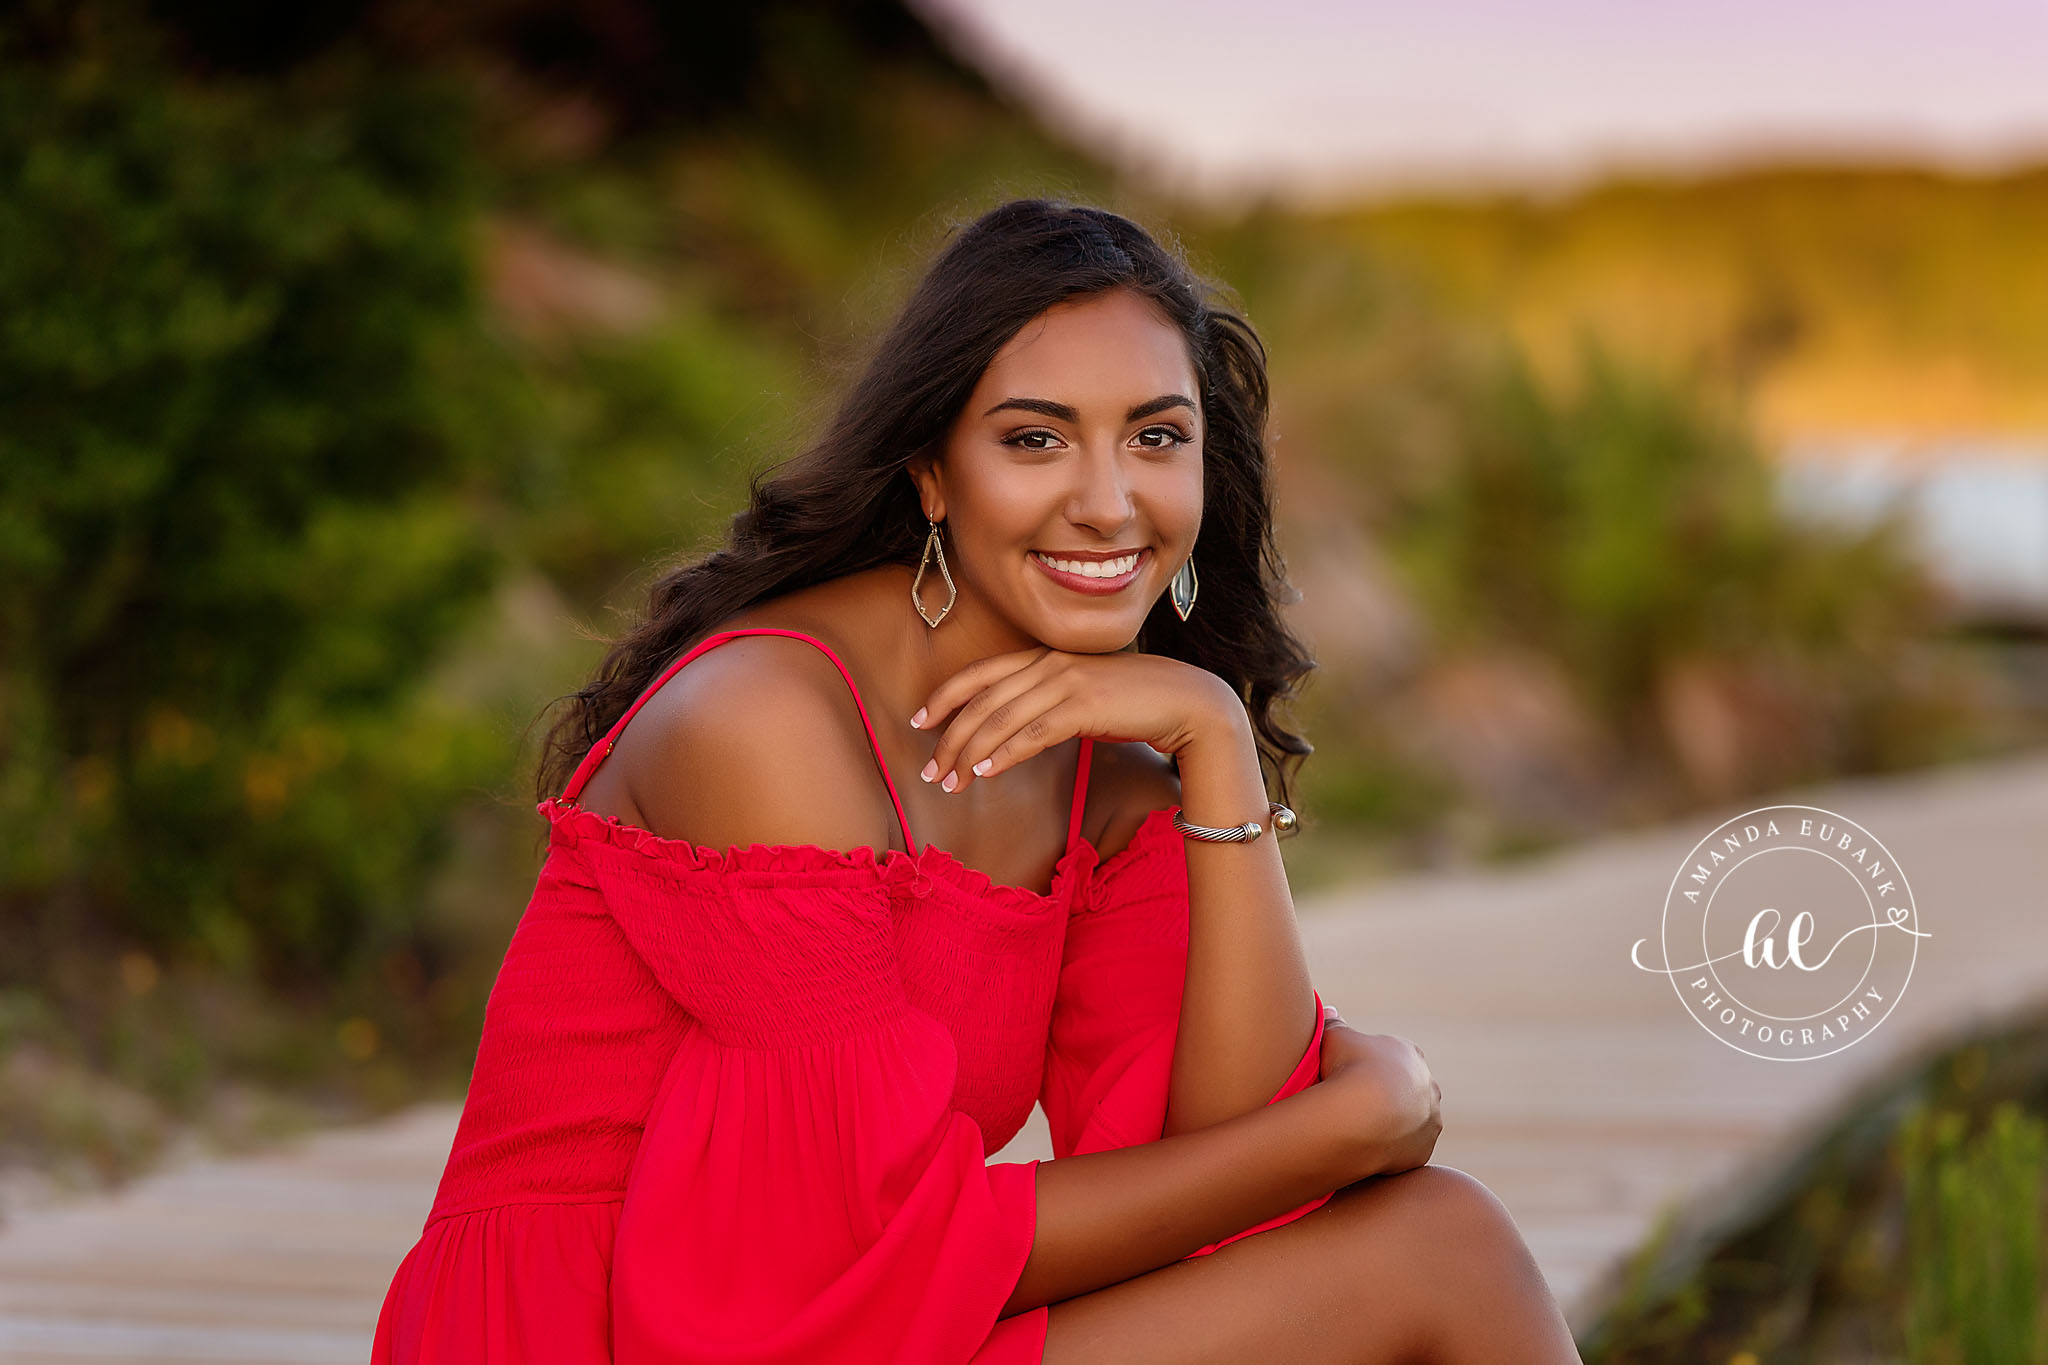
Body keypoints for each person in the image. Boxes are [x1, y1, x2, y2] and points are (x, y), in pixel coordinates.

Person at [372, 197, 1582, 1363]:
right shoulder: (764, 724)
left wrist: (1211, 740)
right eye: (1034, 439)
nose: (1107, 504)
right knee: (1444, 1251)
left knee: (1433, 1242)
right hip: (602, 1335)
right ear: (932, 474)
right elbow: (849, 1262)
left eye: (1156, 438)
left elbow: (1228, 1176)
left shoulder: (1108, 786)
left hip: (847, 1329)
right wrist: (1354, 1122)